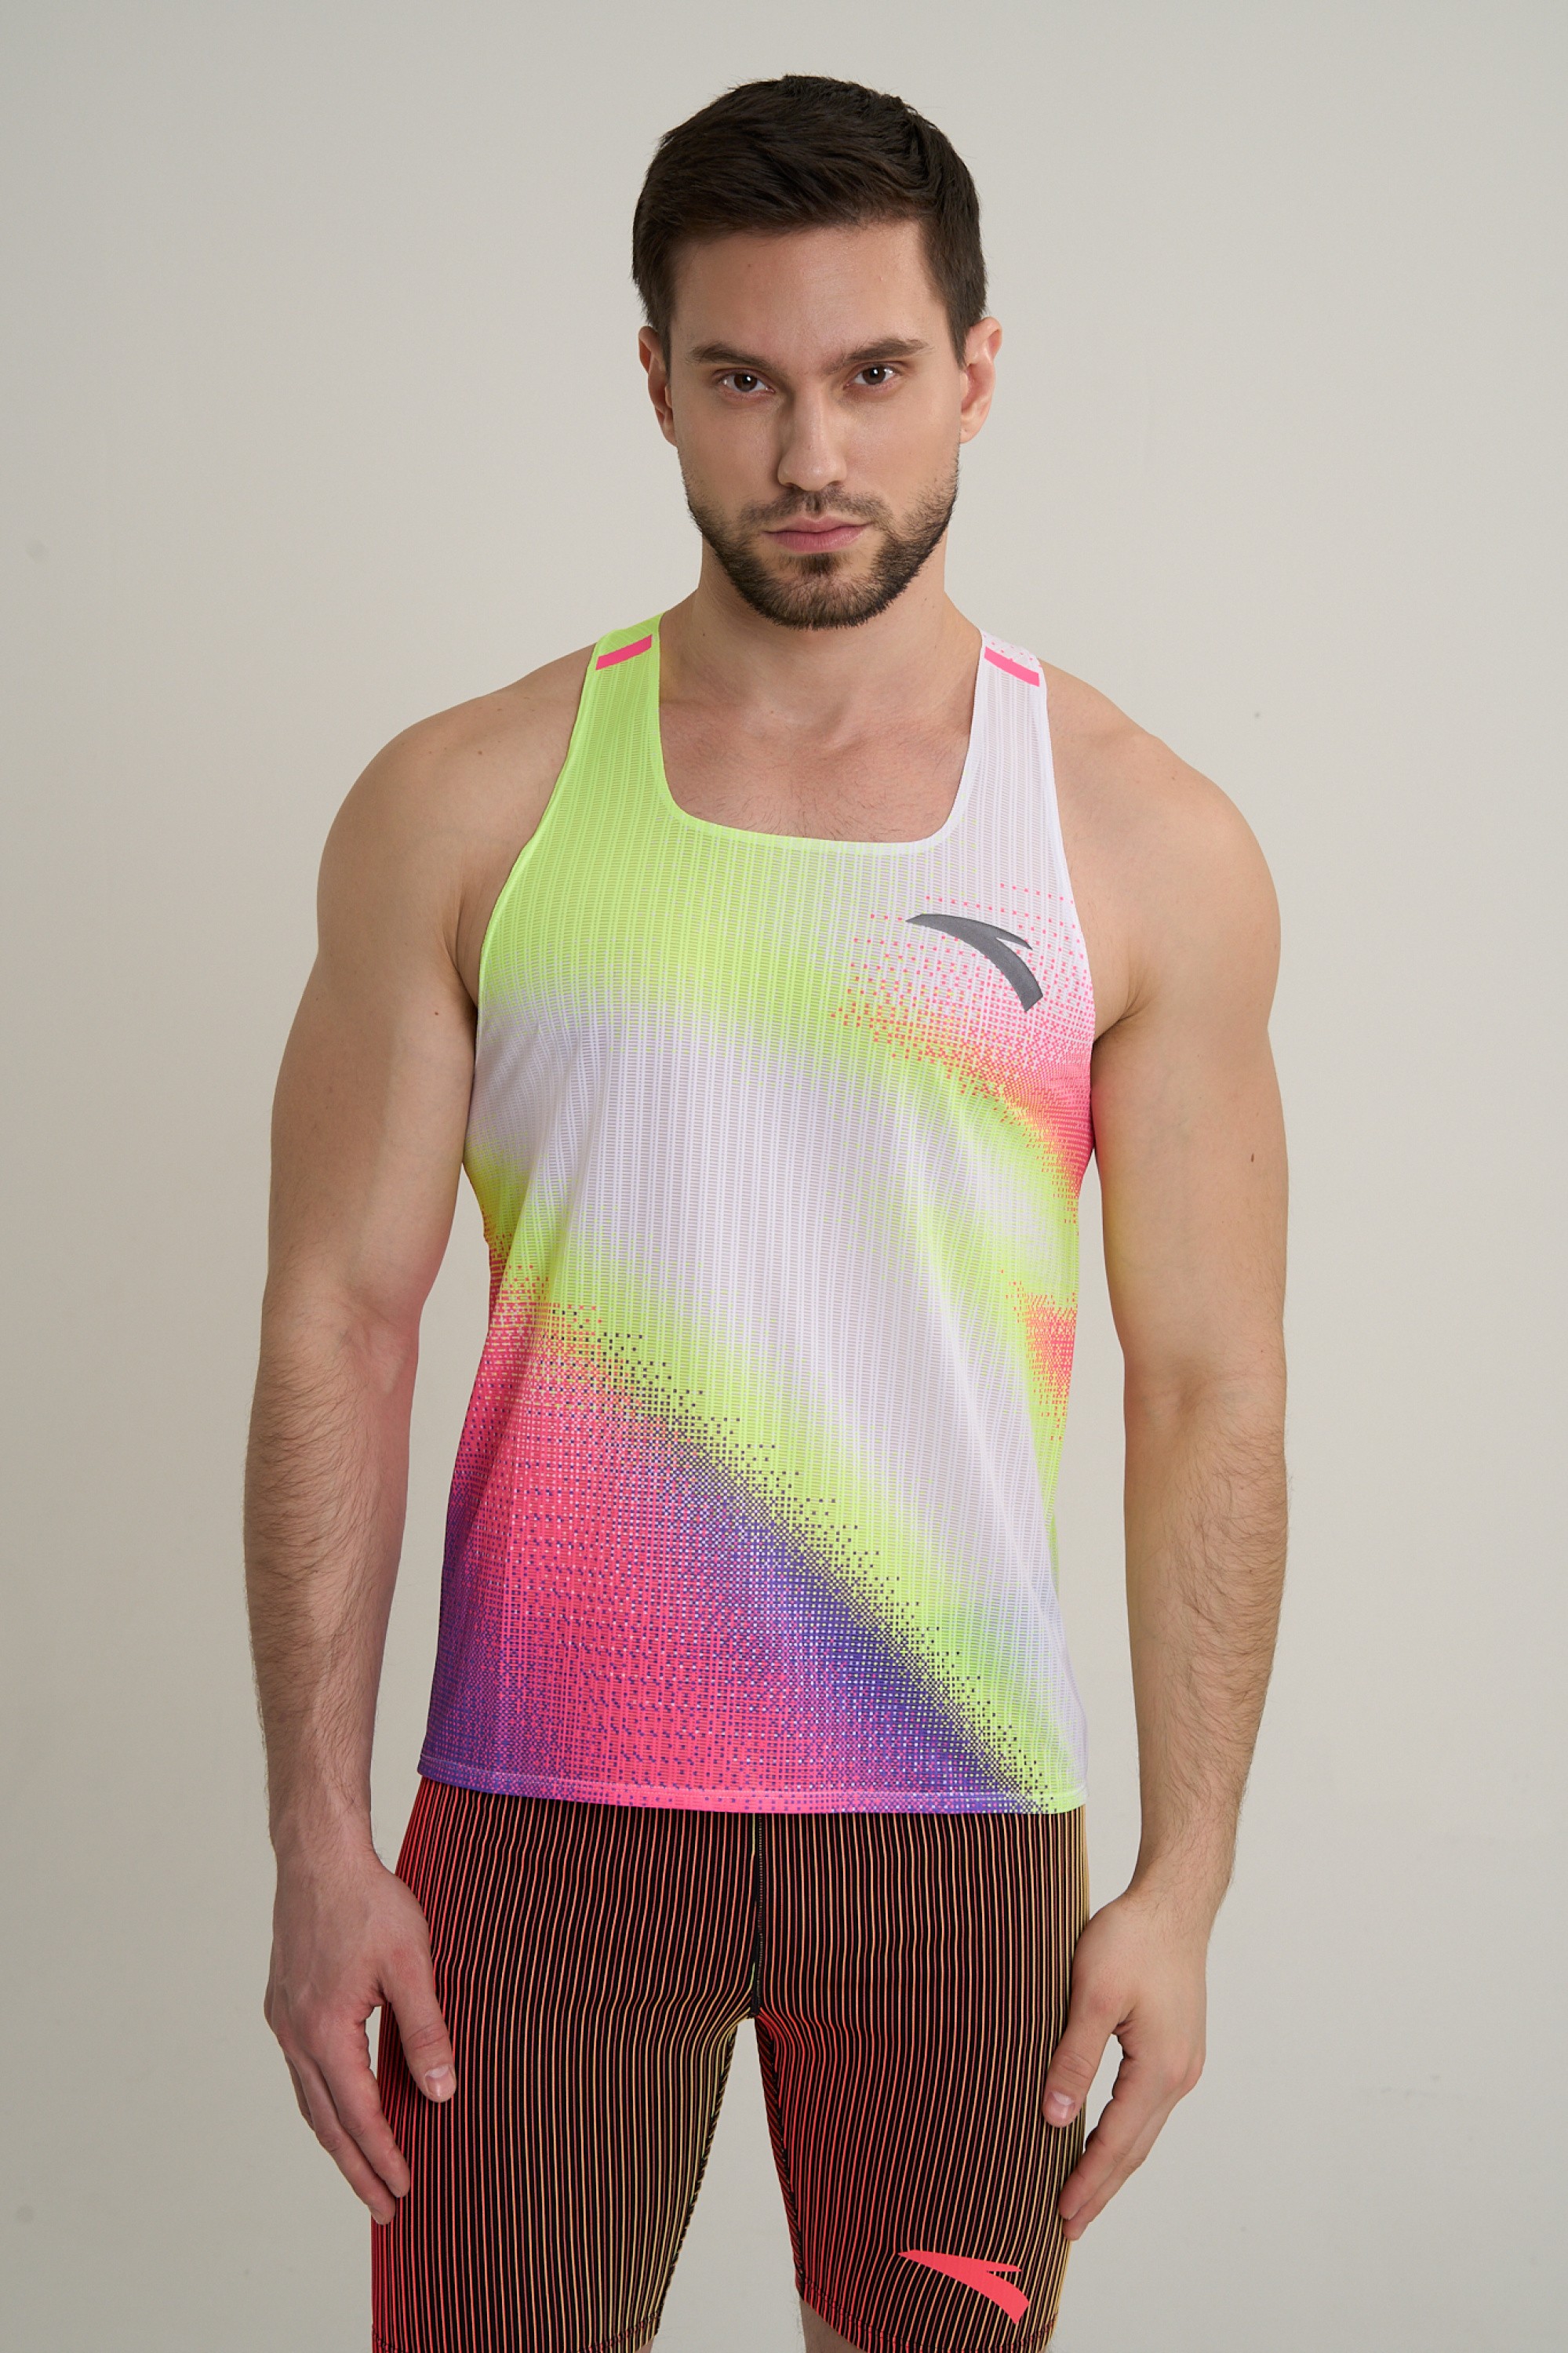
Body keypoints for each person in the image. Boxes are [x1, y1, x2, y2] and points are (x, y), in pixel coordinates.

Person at [244, 72, 1287, 2353]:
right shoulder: (471, 804)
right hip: (537, 1820)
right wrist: (318, 1843)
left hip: (954, 1837)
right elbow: (337, 1317)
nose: (813, 452)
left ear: (976, 371)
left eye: (873, 373)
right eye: (744, 381)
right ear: (657, 384)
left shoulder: (1138, 841)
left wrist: (1186, 1879)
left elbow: (1212, 1381)